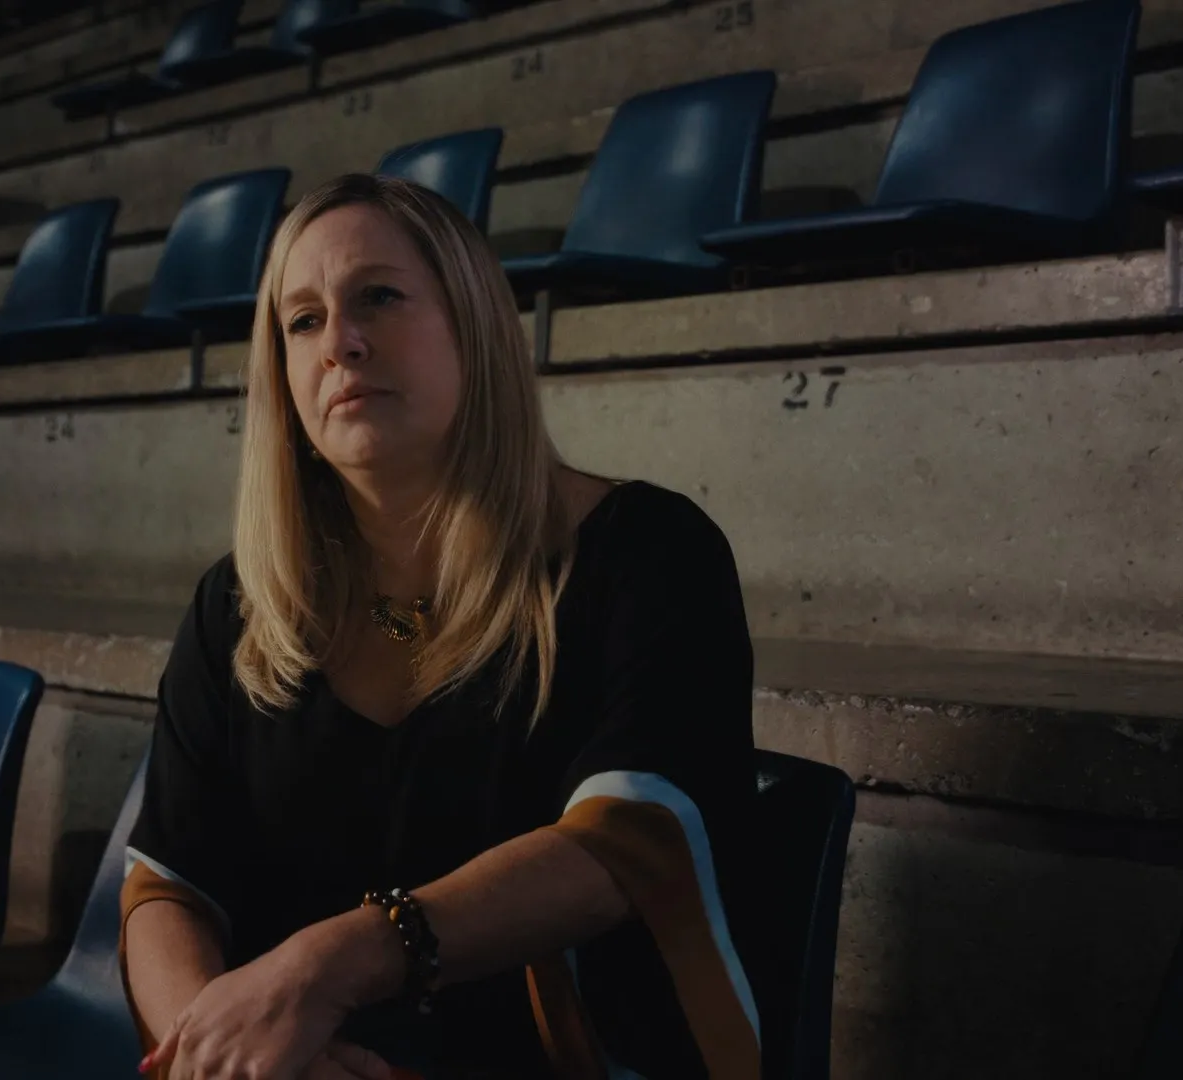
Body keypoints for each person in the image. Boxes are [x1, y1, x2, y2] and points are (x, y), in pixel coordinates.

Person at [118, 173, 760, 1080]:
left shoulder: (649, 552)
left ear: (475, 325)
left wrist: (329, 966)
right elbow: (166, 884)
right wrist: (225, 1052)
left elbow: (631, 841)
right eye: (303, 320)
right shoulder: (235, 604)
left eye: (379, 296)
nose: (340, 342)